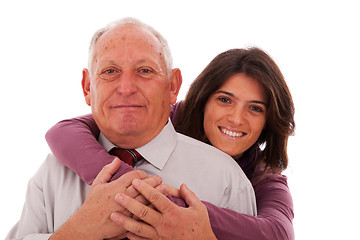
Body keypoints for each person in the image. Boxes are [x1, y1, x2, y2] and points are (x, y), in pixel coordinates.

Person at [6, 18, 256, 240]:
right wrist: (77, 233)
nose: (126, 88)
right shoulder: (51, 175)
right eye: (110, 71)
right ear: (87, 88)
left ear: (173, 86)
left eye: (144, 71)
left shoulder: (227, 180)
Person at [44, 47, 295, 239]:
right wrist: (129, 184)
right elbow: (64, 132)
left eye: (255, 108)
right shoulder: (166, 117)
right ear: (204, 99)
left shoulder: (264, 177)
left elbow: (278, 233)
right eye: (225, 100)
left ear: (269, 121)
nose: (236, 118)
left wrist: (191, 219)